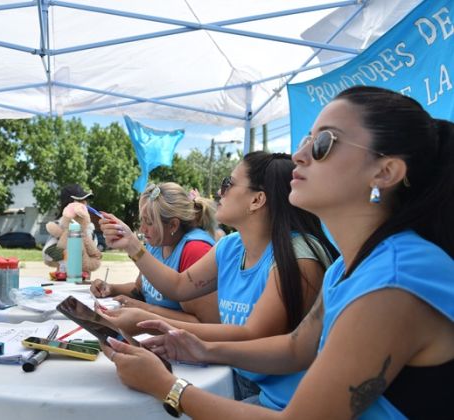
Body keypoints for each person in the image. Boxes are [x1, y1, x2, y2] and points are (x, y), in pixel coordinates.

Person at [101, 86, 454, 419]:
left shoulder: (393, 282)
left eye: (324, 143)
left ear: (385, 172)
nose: (299, 156)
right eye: (306, 140)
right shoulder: (352, 266)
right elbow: (296, 348)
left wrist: (165, 385)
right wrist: (200, 348)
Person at [99, 152, 337, 407]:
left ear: (257, 199)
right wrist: (133, 246)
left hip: (282, 400)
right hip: (237, 374)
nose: (219, 192)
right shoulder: (231, 246)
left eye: (228, 183)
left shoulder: (298, 258)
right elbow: (179, 286)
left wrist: (151, 321)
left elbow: (251, 336)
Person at [90, 183, 219, 324]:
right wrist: (111, 288)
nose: (142, 229)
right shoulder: (157, 243)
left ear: (173, 225)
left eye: (149, 222)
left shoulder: (195, 250)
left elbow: (205, 324)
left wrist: (147, 310)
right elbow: (141, 289)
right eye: (142, 221)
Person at [42, 184, 99, 270]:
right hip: (63, 278)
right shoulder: (60, 225)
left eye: (85, 200)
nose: (85, 204)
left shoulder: (89, 228)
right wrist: (71, 254)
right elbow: (47, 254)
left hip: (84, 278)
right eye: (80, 201)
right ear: (69, 204)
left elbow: (94, 254)